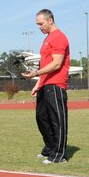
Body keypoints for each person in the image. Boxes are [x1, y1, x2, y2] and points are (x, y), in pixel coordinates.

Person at [22, 9, 70, 164]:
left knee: (57, 120)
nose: (39, 27)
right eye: (37, 24)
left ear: (50, 20)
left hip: (56, 84)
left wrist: (36, 72)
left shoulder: (59, 37)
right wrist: (38, 83)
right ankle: (50, 148)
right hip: (45, 84)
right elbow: (46, 63)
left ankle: (59, 154)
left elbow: (56, 64)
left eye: (41, 24)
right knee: (41, 117)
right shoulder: (48, 39)